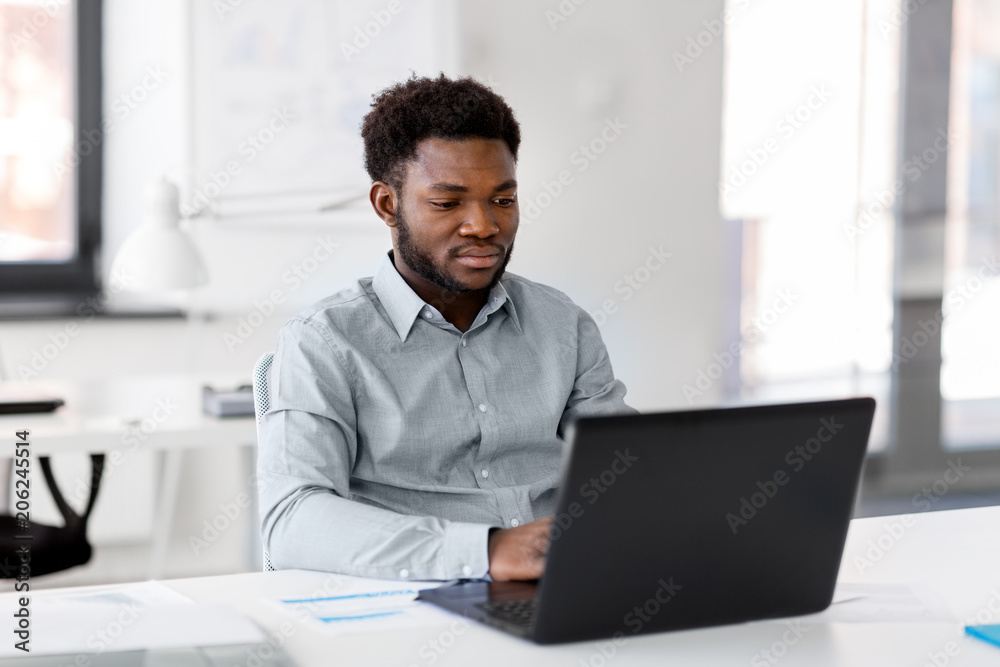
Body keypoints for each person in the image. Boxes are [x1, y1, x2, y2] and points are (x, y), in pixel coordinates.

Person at [257, 74, 636, 582]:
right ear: (387, 205)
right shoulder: (325, 341)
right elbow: (293, 521)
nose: (483, 225)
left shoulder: (562, 323)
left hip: (565, 582)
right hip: (414, 596)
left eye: (502, 200)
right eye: (447, 203)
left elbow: (628, 468)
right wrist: (486, 550)